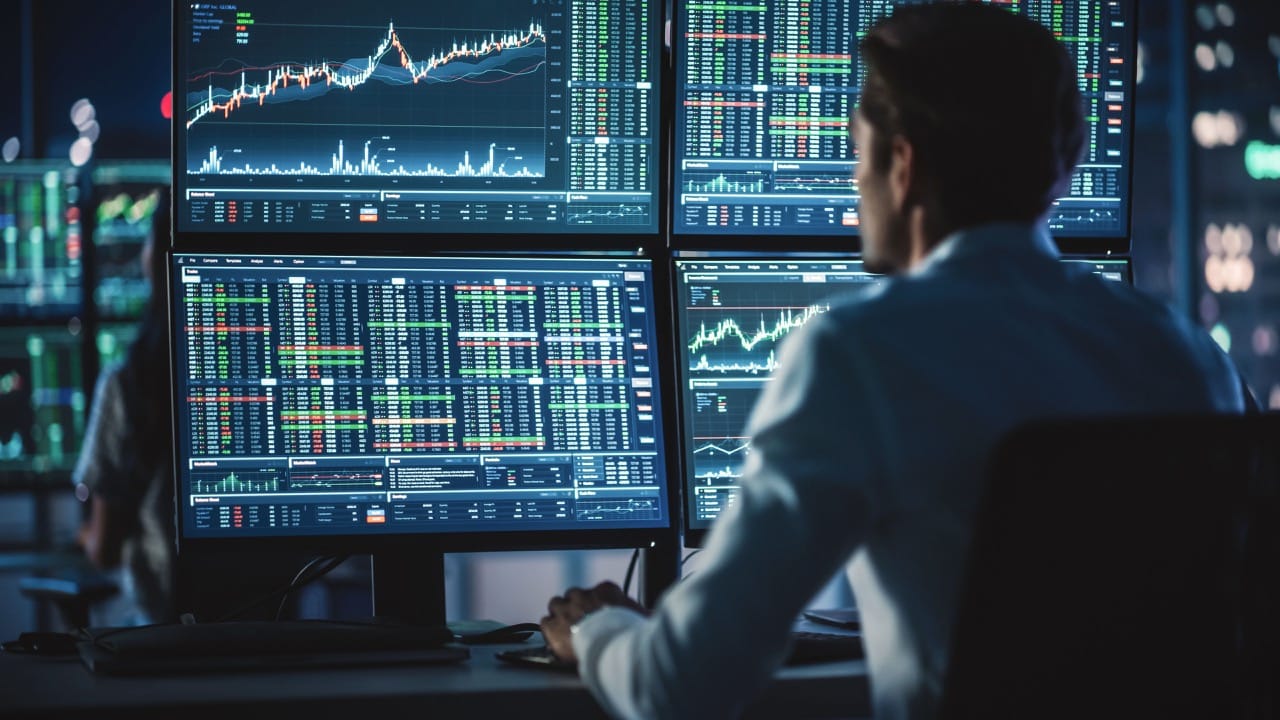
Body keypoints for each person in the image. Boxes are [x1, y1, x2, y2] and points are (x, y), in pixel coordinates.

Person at [541, 4, 1250, 718]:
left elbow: (681, 687)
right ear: (1063, 162)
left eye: (857, 154)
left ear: (902, 165)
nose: (855, 184)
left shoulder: (860, 354)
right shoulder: (1188, 356)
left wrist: (598, 630)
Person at [75, 189, 176, 625]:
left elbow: (104, 549)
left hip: (161, 642)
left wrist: (81, 536)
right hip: (270, 645)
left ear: (154, 259)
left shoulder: (127, 384)